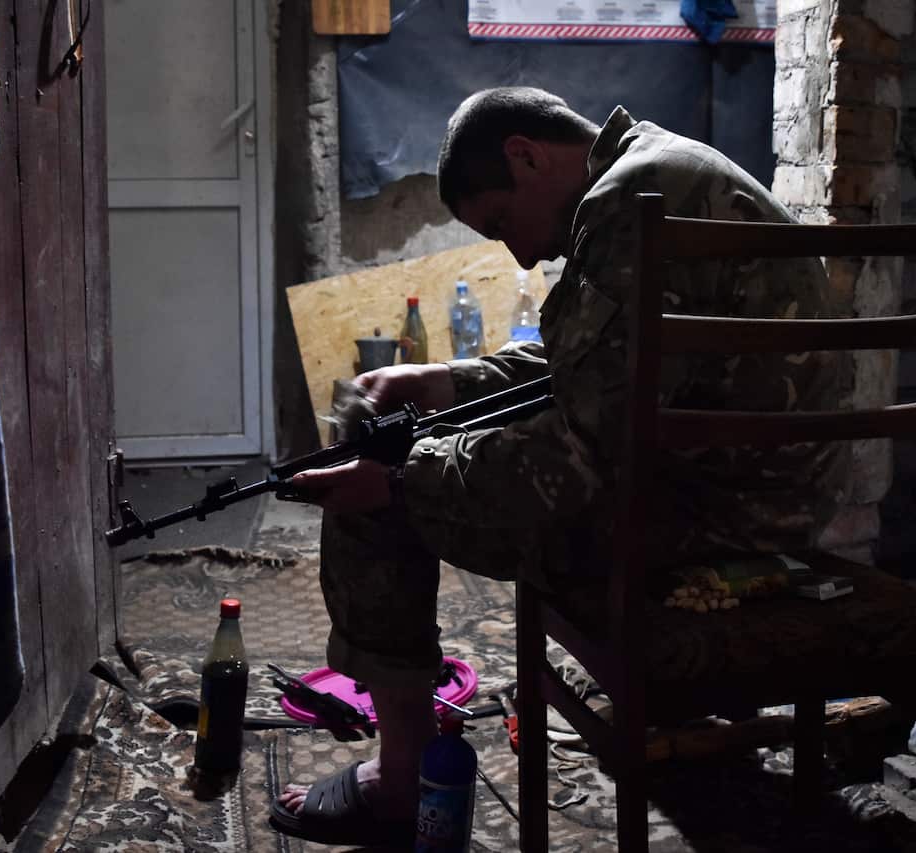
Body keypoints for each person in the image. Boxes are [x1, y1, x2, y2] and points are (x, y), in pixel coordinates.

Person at [269, 87, 844, 846]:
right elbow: (600, 364)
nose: (522, 254)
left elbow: (581, 459)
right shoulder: (661, 164)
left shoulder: (621, 205)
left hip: (714, 519)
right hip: (769, 489)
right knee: (422, 447)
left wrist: (404, 476)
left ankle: (400, 781)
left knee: (375, 490)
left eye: (501, 223)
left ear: (526, 155)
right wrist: (446, 382)